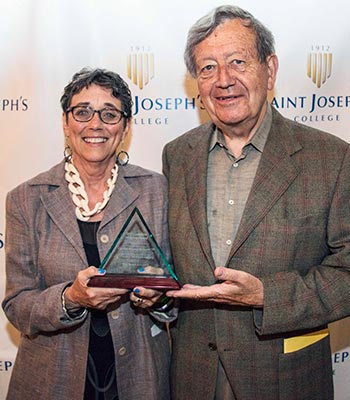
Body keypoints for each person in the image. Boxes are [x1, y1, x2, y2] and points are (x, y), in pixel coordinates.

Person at [163, 5, 350, 400]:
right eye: (208, 68)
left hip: (285, 380)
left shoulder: (331, 159)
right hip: (193, 378)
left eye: (237, 61)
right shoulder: (176, 156)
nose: (223, 80)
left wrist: (267, 295)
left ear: (270, 69)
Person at [2, 68, 175, 400]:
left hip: (139, 378)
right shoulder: (27, 198)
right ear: (66, 124)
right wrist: (71, 299)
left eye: (109, 114)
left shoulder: (156, 191)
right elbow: (17, 305)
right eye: (82, 112)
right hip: (52, 379)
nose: (95, 124)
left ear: (125, 127)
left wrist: (159, 297)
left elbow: (173, 290)